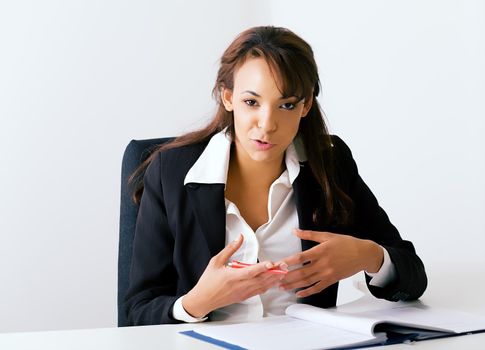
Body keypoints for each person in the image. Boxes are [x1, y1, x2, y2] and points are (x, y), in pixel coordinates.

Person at [124, 26, 427, 325]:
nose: (267, 124)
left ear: (305, 105)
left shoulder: (330, 163)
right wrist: (199, 301)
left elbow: (413, 276)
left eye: (286, 105)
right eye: (251, 102)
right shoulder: (170, 172)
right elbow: (138, 311)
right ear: (227, 97)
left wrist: (367, 255)